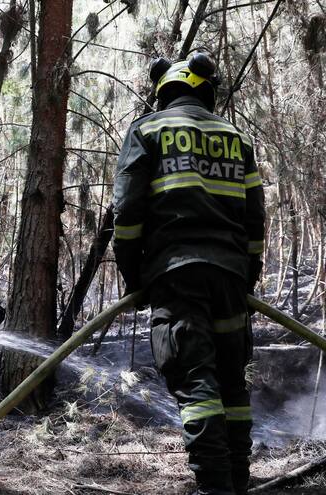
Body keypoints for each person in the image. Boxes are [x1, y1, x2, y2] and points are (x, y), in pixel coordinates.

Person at [112, 52, 266, 494]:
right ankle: (237, 483)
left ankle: (216, 489)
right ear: (205, 90)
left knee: (195, 381)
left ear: (163, 92)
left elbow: (126, 213)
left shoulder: (148, 129)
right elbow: (255, 218)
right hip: (231, 278)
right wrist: (246, 275)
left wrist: (135, 278)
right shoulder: (234, 135)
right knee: (232, 383)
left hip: (176, 276)